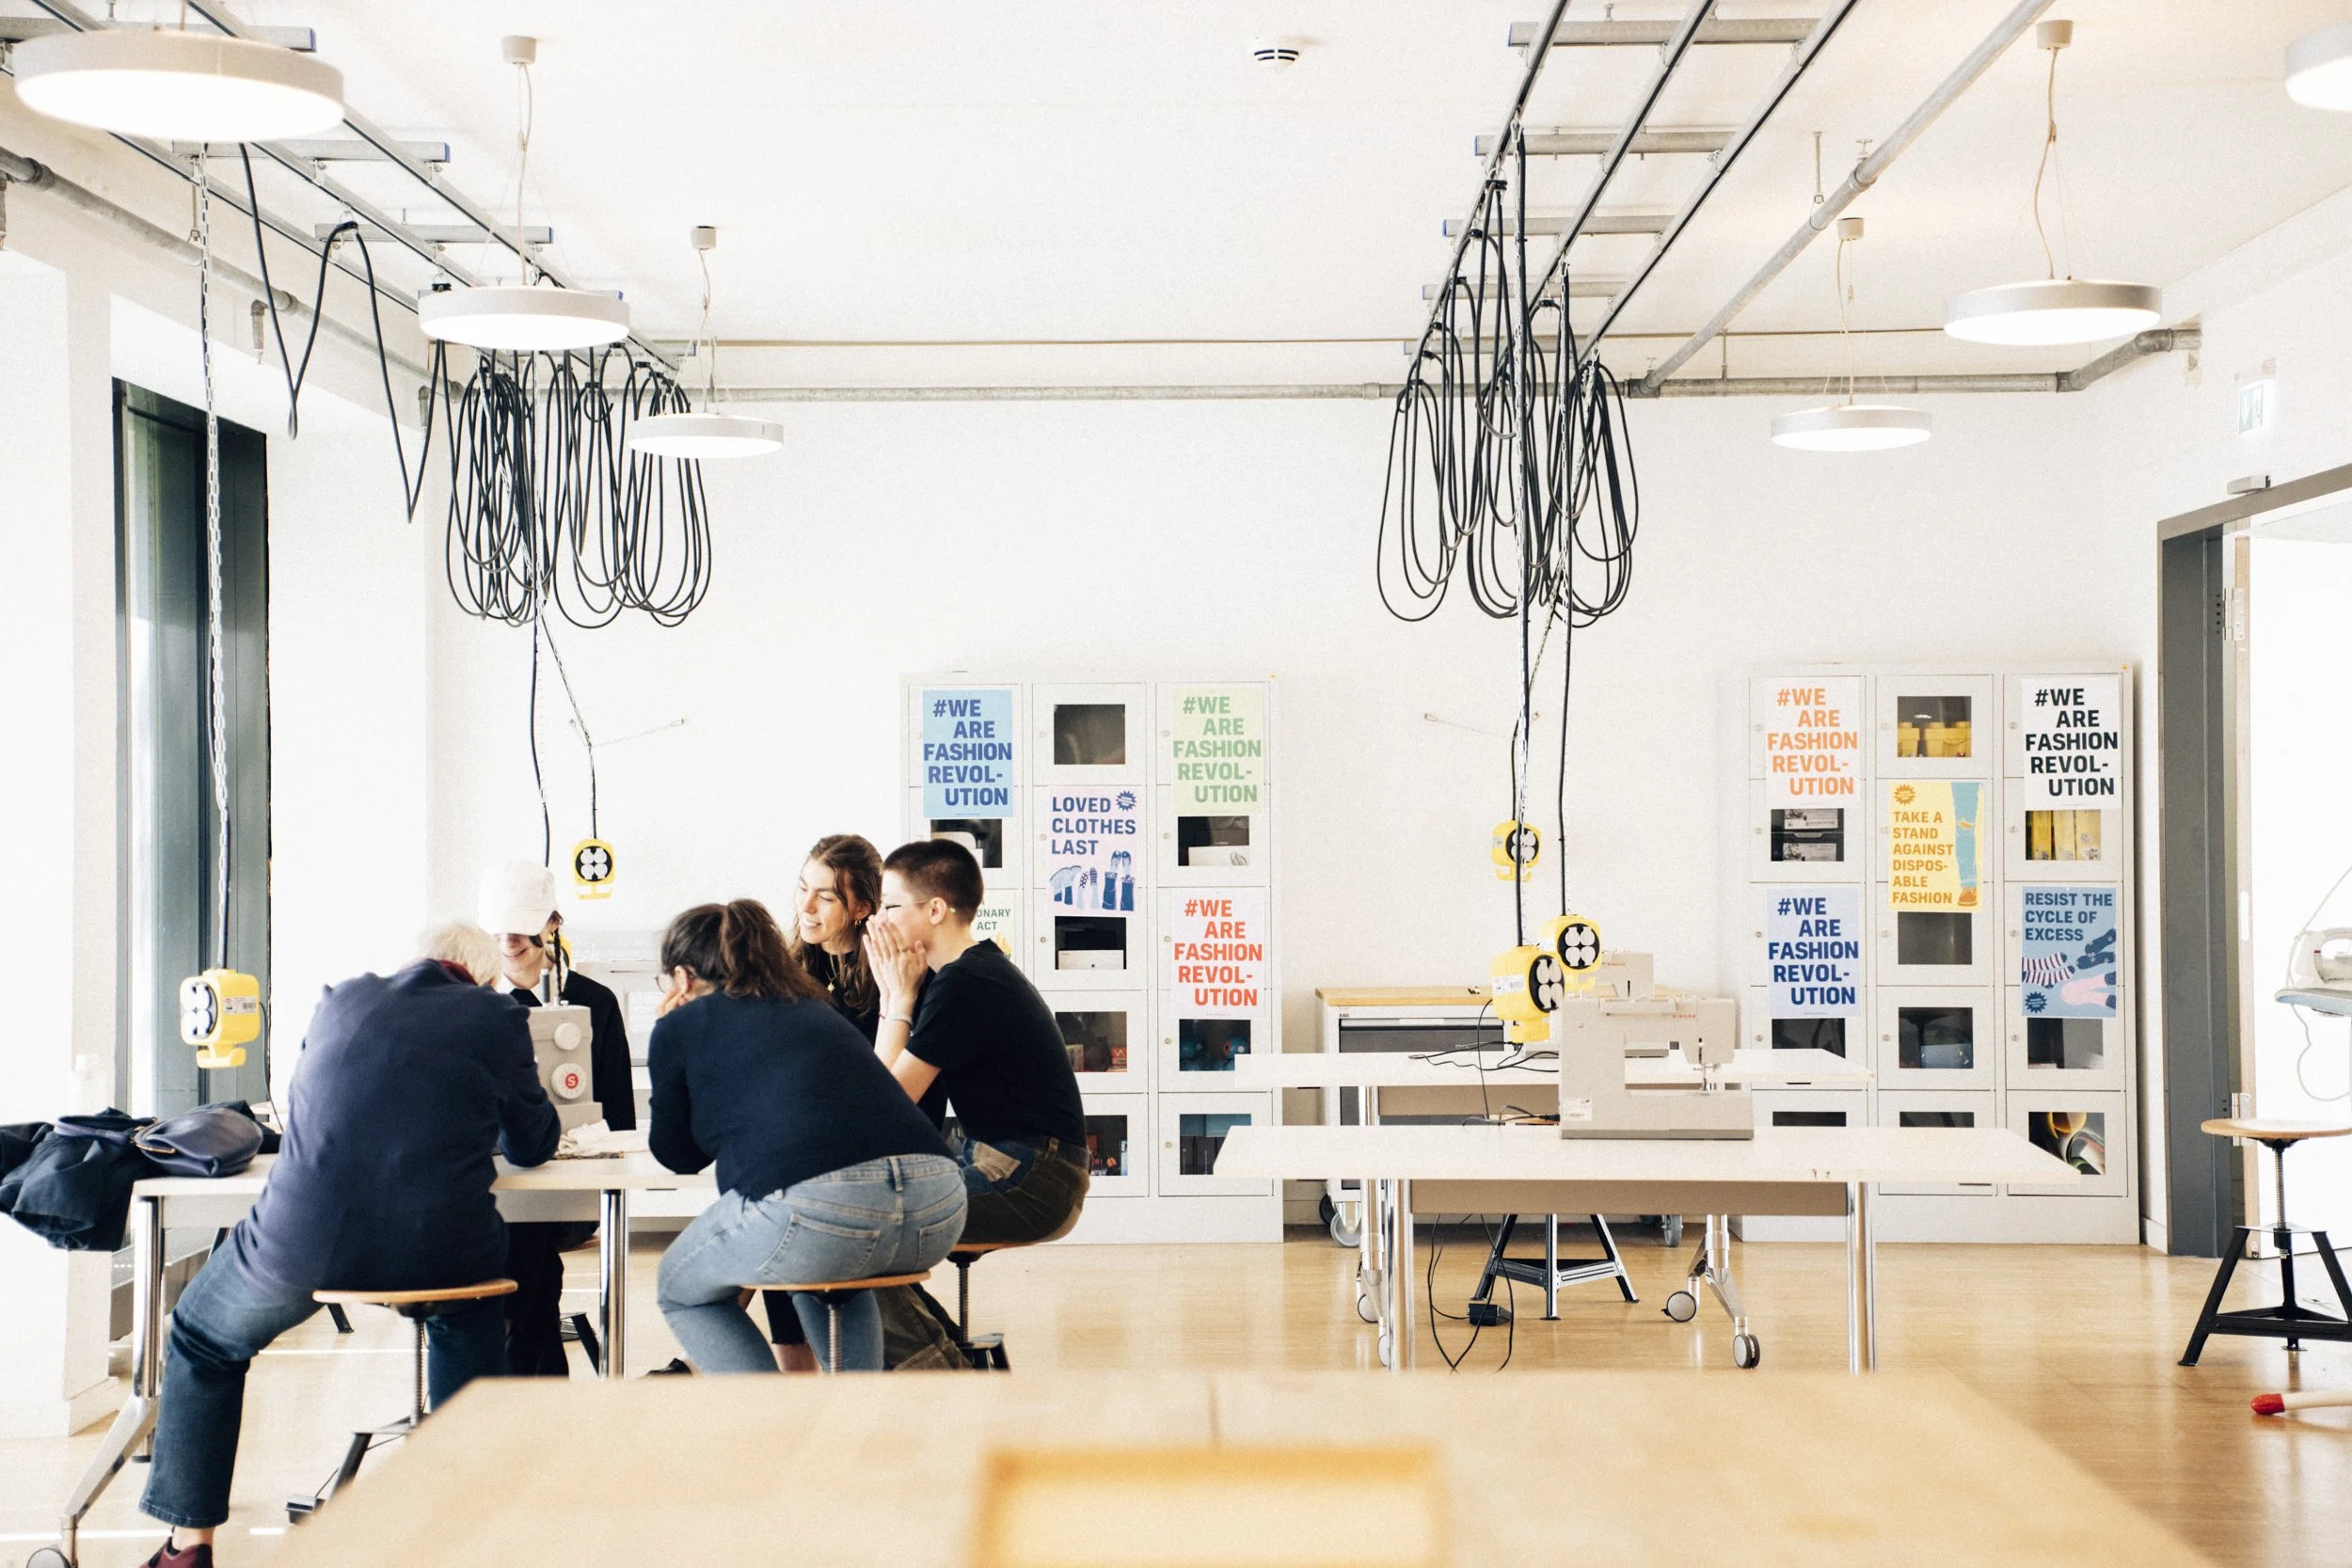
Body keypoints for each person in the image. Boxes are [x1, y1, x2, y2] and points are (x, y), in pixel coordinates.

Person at [136, 924, 557, 1568]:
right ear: (476, 971)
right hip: (441, 1245)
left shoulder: (339, 999)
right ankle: (464, 1533)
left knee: (202, 1337)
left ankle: (187, 1547)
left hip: (303, 1241)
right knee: (468, 1303)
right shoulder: (496, 1014)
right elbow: (533, 1143)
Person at [648, 899, 965, 1373]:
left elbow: (677, 1155)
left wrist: (669, 1042)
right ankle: (853, 1422)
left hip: (821, 1209)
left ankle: (775, 1424)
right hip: (939, 1205)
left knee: (679, 1287)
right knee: (821, 1273)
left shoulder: (682, 1024)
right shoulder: (817, 1010)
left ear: (682, 978)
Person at [865, 838, 1089, 1368]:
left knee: (849, 1233)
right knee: (851, 1218)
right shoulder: (963, 975)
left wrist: (894, 1000)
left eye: (891, 906)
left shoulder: (965, 982)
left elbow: (887, 1103)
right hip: (1020, 1164)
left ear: (935, 910)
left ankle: (948, 1379)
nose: (879, 921)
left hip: (1032, 1178)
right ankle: (950, 1364)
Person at [478, 861, 635, 1377]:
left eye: (520, 927)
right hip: (492, 1186)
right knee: (527, 1265)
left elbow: (618, 1115)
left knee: (524, 1255)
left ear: (552, 923)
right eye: (498, 928)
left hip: (567, 1185)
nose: (508, 940)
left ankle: (515, 1402)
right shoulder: (472, 1004)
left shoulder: (596, 1004)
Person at [759, 834, 887, 1368]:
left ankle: (694, 1364)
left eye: (826, 897)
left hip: (872, 1156)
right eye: (802, 889)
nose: (806, 907)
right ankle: (795, 1372)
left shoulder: (891, 978)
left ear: (861, 908)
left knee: (774, 1211)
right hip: (807, 1150)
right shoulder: (788, 973)